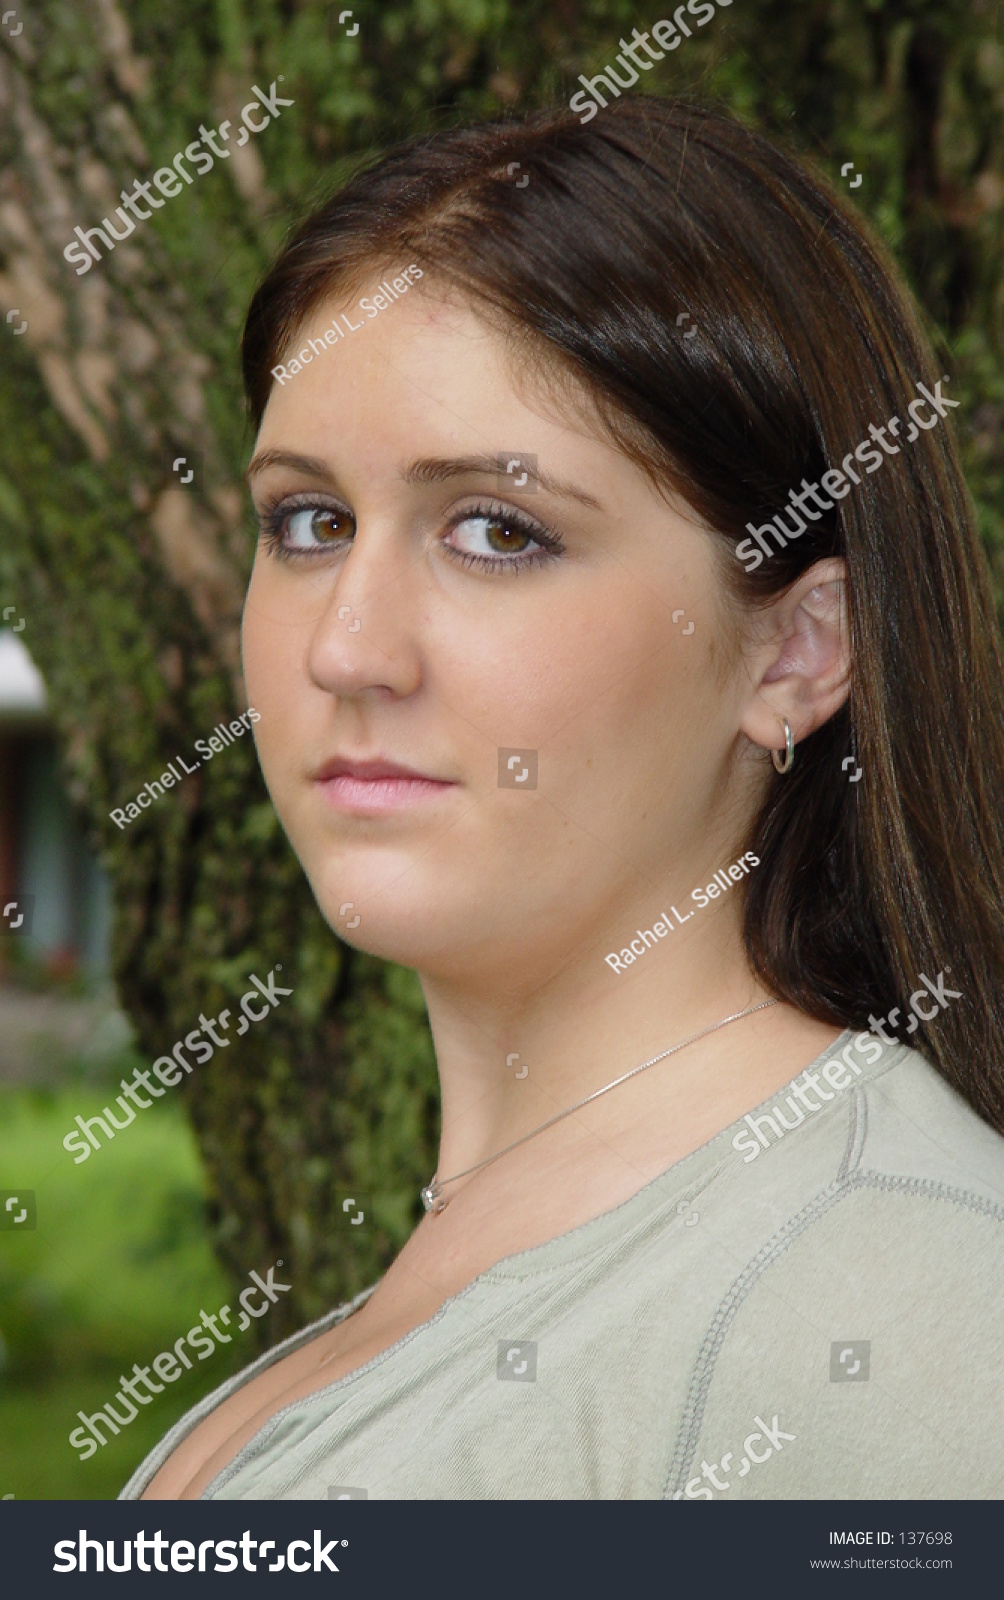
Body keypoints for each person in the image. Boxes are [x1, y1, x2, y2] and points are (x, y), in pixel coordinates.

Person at [122, 97, 1004, 1501]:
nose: (346, 647)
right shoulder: (541, 1261)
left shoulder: (901, 1314)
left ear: (795, 653)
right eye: (309, 521)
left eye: (497, 530)